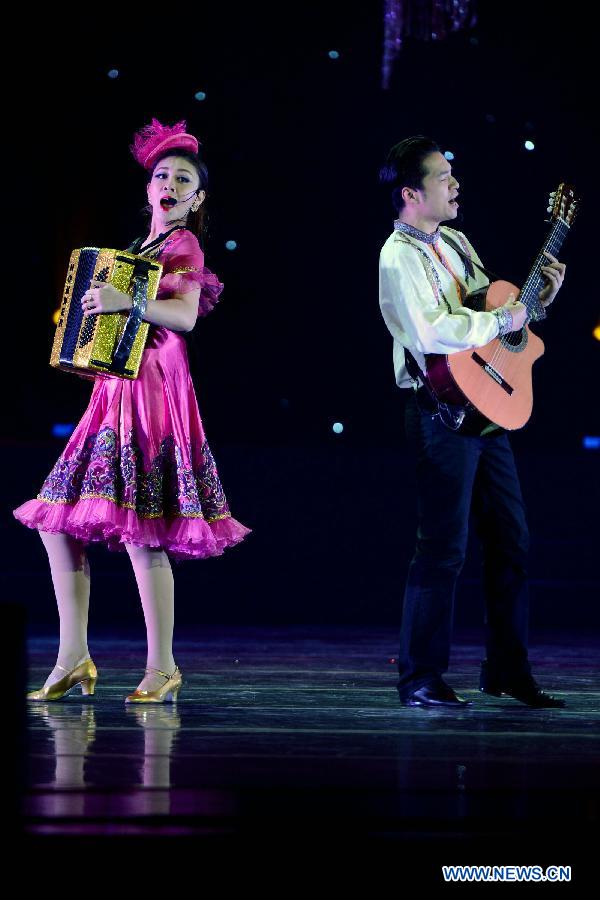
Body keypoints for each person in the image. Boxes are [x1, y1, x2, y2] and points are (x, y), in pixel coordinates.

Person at [14, 118, 251, 703]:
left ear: (197, 199)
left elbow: (186, 318)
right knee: (59, 524)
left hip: (153, 391)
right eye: (161, 175)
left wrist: (130, 303)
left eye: (183, 179)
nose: (169, 183)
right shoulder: (135, 251)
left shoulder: (184, 244)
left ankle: (162, 667)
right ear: (149, 189)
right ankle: (73, 656)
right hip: (114, 391)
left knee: (143, 531)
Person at [378, 136, 566, 708]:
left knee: (513, 540)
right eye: (442, 177)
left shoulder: (456, 242)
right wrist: (509, 314)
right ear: (411, 193)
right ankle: (420, 678)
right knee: (443, 547)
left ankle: (507, 668)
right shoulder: (398, 256)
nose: (455, 184)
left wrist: (538, 303)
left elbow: (493, 316)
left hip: (486, 406)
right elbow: (433, 331)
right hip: (439, 410)